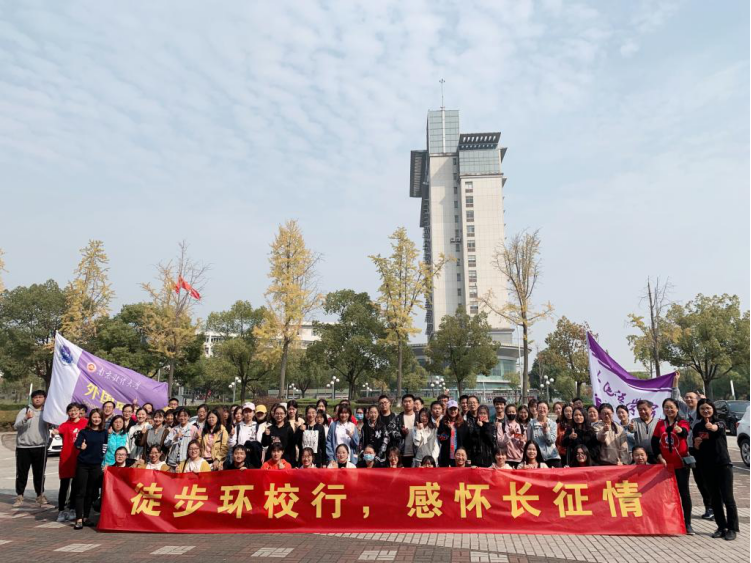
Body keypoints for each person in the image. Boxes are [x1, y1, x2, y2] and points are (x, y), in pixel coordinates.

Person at [693, 399, 739, 541]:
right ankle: (721, 526)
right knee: (715, 498)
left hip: (723, 465)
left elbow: (716, 428)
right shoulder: (697, 427)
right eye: (702, 409)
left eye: (708, 408)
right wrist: (696, 444)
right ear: (699, 411)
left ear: (713, 409)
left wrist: (711, 427)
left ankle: (732, 528)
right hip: (706, 466)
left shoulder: (720, 423)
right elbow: (696, 449)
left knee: (728, 498)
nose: (705, 411)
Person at [672, 371, 713, 520]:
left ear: (697, 400)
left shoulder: (701, 412)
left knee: (706, 478)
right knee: (699, 479)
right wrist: (676, 380)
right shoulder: (684, 410)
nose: (689, 399)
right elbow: (675, 397)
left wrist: (705, 400)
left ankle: (712, 507)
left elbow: (709, 410)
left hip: (702, 449)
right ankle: (709, 506)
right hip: (689, 449)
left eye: (692, 397)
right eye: (687, 397)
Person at [652, 397, 694, 535]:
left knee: (684, 493)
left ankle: (687, 523)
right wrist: (659, 457)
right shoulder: (660, 424)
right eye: (666, 407)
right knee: (667, 495)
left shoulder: (683, 422)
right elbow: (654, 442)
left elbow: (685, 433)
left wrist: (680, 430)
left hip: (680, 464)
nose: (669, 410)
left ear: (677, 409)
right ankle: (669, 522)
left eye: (671, 407)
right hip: (666, 466)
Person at [13, 389, 52, 508]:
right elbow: (16, 426)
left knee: (40, 473)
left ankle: (40, 495)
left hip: (41, 447)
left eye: (40, 397)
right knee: (22, 473)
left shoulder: (47, 412)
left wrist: (51, 424)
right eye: (36, 397)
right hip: (24, 447)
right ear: (32, 399)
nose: (38, 399)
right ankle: (20, 495)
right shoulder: (25, 411)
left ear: (45, 399)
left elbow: (56, 426)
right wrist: (26, 418)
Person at [73, 409, 107, 530]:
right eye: (94, 417)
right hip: (83, 465)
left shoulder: (104, 433)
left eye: (99, 417)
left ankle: (86, 517)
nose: (96, 419)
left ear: (102, 419)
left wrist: (103, 461)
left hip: (96, 466)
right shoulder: (84, 432)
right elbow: (76, 444)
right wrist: (80, 446)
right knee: (81, 492)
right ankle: (78, 518)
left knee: (91, 492)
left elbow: (105, 447)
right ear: (90, 418)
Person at [53, 402, 87, 521]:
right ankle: (61, 510)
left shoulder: (85, 423)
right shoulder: (65, 425)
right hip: (66, 458)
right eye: (71, 410)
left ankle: (73, 508)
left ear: (79, 411)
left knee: (76, 485)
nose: (73, 412)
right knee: (64, 485)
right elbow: (58, 430)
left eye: (75, 410)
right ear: (68, 412)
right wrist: (55, 432)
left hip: (80, 458)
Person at [527, 401, 561, 468]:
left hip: (552, 457)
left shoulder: (553, 423)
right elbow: (529, 442)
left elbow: (551, 441)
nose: (542, 410)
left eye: (544, 408)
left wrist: (546, 431)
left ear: (548, 410)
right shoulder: (531, 423)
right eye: (540, 408)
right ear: (537, 410)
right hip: (538, 458)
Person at [437, 400, 469, 467]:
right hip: (446, 455)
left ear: (458, 410)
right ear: (447, 410)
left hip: (460, 456)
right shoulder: (443, 422)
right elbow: (440, 439)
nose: (453, 411)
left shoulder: (463, 423)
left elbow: (466, 440)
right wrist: (448, 430)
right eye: (451, 409)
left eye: (455, 409)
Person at [497, 404, 525, 468]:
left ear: (516, 413)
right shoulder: (501, 426)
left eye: (513, 412)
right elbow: (500, 443)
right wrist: (510, 433)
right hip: (506, 459)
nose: (511, 413)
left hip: (519, 459)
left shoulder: (521, 427)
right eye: (509, 412)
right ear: (506, 413)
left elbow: (523, 447)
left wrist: (522, 441)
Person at [397, 394, 417, 467]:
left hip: (416, 453)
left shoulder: (419, 417)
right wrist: (401, 433)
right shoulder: (398, 418)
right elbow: (392, 433)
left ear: (413, 403)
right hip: (402, 453)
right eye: (405, 401)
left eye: (409, 401)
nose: (407, 403)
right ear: (402, 403)